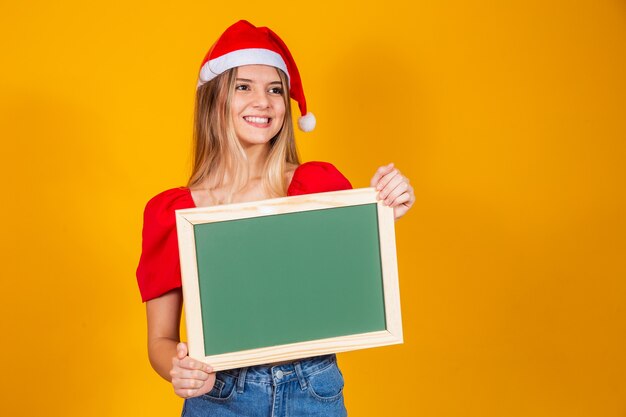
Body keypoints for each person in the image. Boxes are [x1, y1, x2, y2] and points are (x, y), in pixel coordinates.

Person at [136, 20, 415, 417]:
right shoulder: (175, 213)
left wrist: (385, 212)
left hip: (313, 390)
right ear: (215, 100)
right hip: (220, 395)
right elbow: (160, 340)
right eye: (243, 86)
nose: (263, 102)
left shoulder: (317, 185)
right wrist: (178, 369)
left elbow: (351, 279)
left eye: (275, 90)